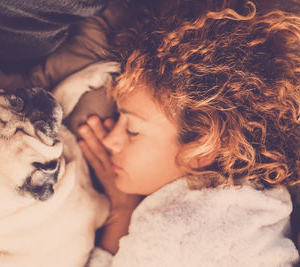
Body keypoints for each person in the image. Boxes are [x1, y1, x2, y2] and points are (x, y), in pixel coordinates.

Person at [78, 0, 300, 266]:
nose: (110, 140)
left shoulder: (167, 235)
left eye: (133, 130)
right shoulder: (268, 195)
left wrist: (120, 216)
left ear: (201, 147)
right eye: (117, 118)